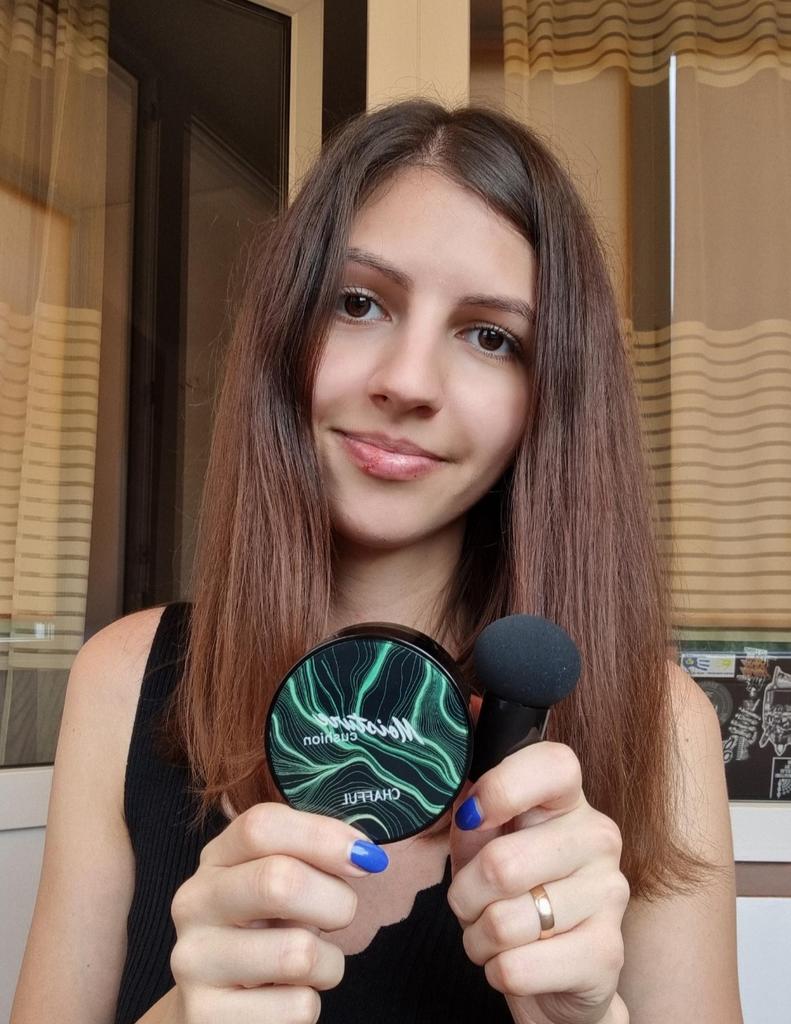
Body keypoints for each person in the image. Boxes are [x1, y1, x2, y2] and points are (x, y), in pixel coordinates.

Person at [11, 99, 743, 1024]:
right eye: (358, 303)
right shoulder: (125, 680)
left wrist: (584, 1020)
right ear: (287, 329)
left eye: (490, 336)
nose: (406, 381)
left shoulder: (658, 724)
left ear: (547, 397)